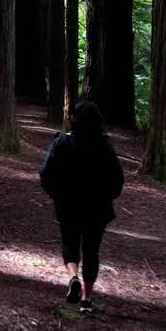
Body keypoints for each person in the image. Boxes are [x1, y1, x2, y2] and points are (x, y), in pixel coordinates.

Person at [38, 101, 125, 313]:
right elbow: (117, 179)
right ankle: (86, 300)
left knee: (70, 243)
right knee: (91, 250)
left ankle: (73, 277)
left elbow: (45, 173)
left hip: (68, 206)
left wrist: (55, 195)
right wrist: (108, 196)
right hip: (98, 209)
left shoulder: (62, 143)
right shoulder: (105, 147)